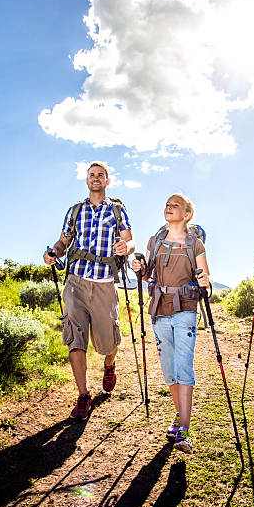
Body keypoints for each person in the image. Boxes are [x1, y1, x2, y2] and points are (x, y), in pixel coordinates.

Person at [44, 161, 135, 421]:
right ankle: (83, 396)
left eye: (100, 175)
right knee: (75, 337)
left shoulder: (117, 210)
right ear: (86, 181)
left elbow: (130, 238)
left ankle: (110, 364)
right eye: (91, 175)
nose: (96, 178)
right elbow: (63, 241)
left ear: (107, 181)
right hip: (76, 282)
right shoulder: (75, 211)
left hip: (105, 283)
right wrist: (53, 253)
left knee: (108, 341)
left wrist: (126, 248)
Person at [132, 194, 210, 454]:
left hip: (186, 309)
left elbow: (205, 275)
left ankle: (185, 432)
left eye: (175, 205)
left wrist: (204, 281)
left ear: (187, 214)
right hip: (159, 310)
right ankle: (180, 417)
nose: (169, 207)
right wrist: (139, 266)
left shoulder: (195, 243)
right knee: (169, 371)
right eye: (167, 203)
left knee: (183, 366)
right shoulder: (155, 241)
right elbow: (146, 275)